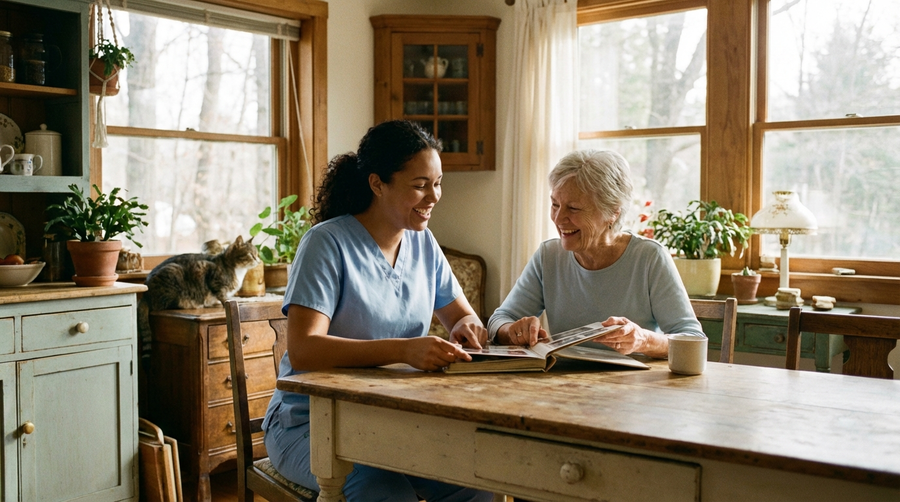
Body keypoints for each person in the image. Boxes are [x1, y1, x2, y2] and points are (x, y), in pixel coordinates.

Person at [263, 120, 492, 502]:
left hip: (391, 421)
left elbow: (464, 317)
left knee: (477, 482)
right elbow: (304, 349)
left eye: (438, 184)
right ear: (377, 184)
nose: (433, 196)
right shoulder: (325, 244)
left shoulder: (424, 244)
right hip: (310, 425)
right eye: (420, 185)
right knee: (385, 493)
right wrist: (403, 350)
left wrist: (468, 328)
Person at [488, 149, 704, 356]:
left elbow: (692, 339)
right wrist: (514, 331)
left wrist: (644, 340)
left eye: (573, 208)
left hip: (635, 388)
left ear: (612, 211)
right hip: (564, 386)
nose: (558, 217)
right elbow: (500, 320)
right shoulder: (548, 256)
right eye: (555, 204)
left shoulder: (649, 258)